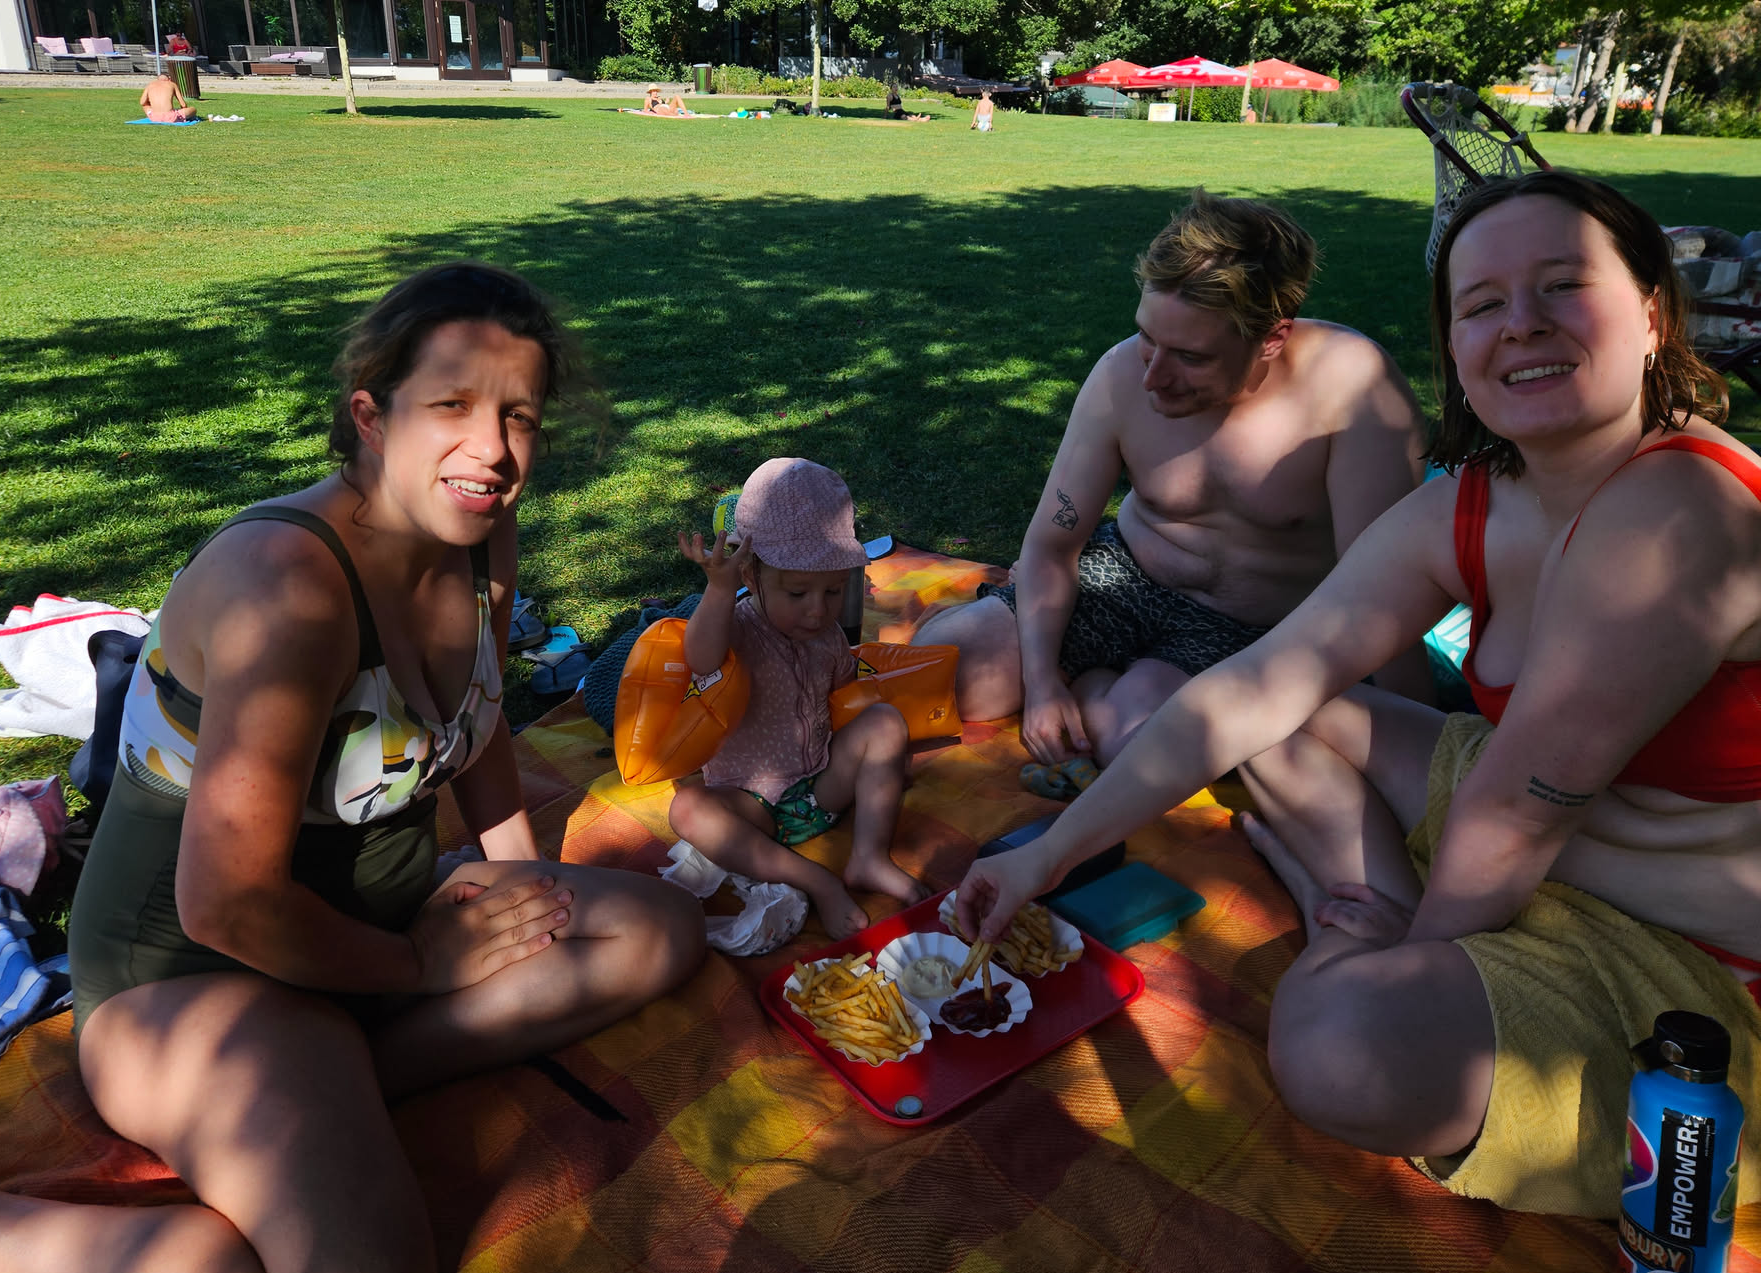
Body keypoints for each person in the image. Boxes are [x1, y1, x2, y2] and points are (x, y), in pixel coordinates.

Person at [0, 264, 706, 1273]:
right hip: (197, 980)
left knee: (657, 933)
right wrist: (420, 967)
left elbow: (474, 731)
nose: (493, 448)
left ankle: (328, 1095)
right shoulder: (288, 589)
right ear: (371, 417)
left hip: (375, 933)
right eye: (452, 406)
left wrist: (521, 888)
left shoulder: (478, 528)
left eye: (518, 415)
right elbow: (226, 907)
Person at [954, 170, 1761, 1220]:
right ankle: (1368, 905)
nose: (1520, 323)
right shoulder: (1474, 504)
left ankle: (1356, 918)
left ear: (1652, 314)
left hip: (1694, 958)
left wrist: (1402, 971)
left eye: (1563, 286)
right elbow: (1256, 686)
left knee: (1346, 1048)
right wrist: (1047, 854)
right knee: (1261, 704)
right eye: (1481, 303)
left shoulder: (1681, 508)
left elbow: (1518, 813)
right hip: (1520, 827)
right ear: (1455, 345)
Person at [913, 191, 1429, 786]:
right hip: (1123, 577)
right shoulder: (1120, 374)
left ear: (1271, 338)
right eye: (1147, 338)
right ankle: (1091, 684)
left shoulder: (1353, 393)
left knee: (1146, 751)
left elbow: (1384, 596)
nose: (1154, 376)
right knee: (937, 674)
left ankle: (1104, 693)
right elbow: (1052, 546)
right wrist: (1043, 680)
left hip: (1249, 627)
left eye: (1189, 356)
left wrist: (1422, 748)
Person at [668, 458, 929, 939]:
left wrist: (882, 763)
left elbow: (845, 704)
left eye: (833, 590)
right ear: (751, 576)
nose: (817, 610)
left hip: (820, 787)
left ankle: (869, 857)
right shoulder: (737, 627)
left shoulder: (829, 636)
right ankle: (818, 881)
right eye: (796, 593)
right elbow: (700, 659)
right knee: (687, 809)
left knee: (886, 721)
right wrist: (719, 591)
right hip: (749, 805)